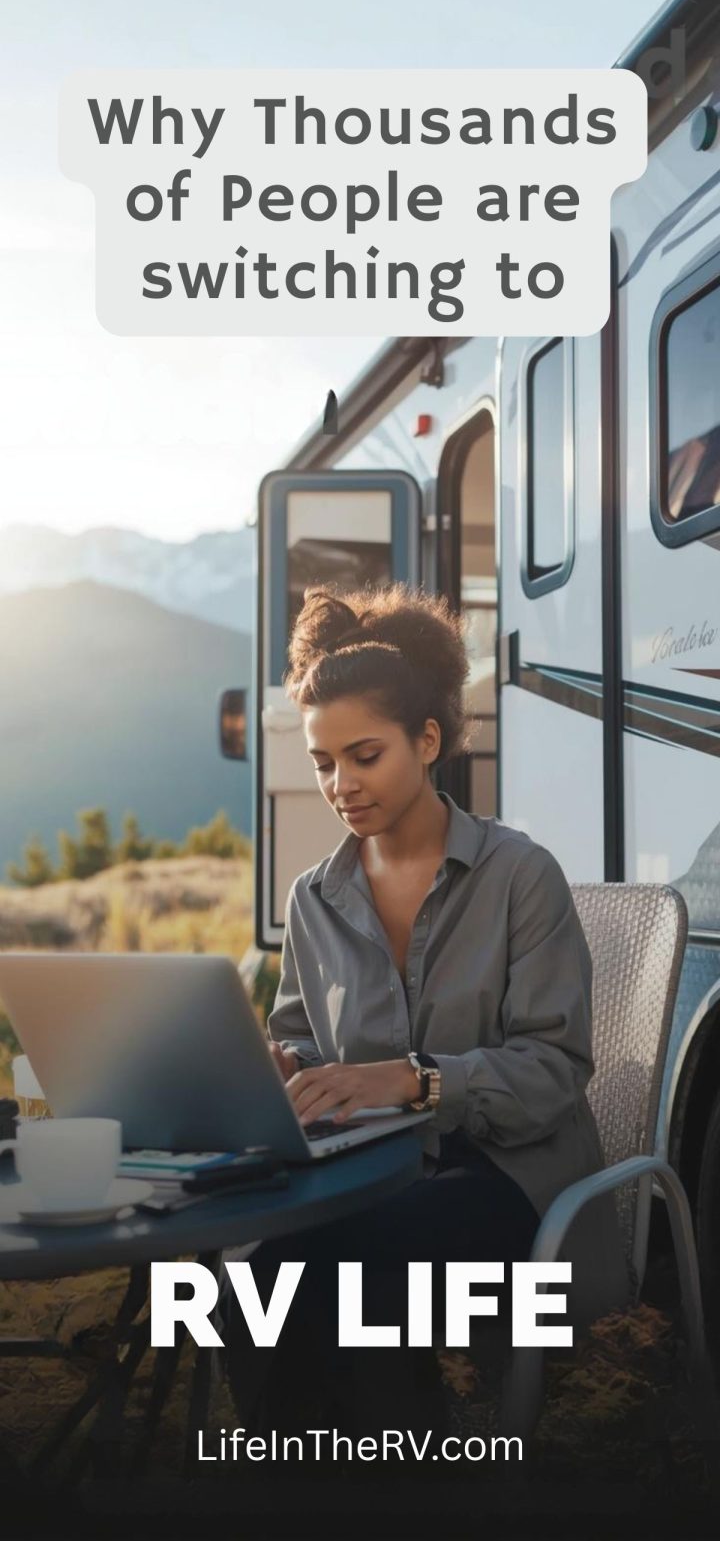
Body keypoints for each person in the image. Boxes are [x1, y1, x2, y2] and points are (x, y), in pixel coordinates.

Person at [219, 583, 627, 1449]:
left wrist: (416, 1080)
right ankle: (338, 1475)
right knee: (249, 1275)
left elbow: (554, 1071)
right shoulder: (315, 898)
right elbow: (296, 1032)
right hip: (375, 1177)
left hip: (517, 1190)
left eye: (364, 755)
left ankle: (376, 1480)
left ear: (428, 740)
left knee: (330, 1272)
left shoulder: (522, 876)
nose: (340, 784)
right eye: (324, 762)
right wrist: (281, 1066)